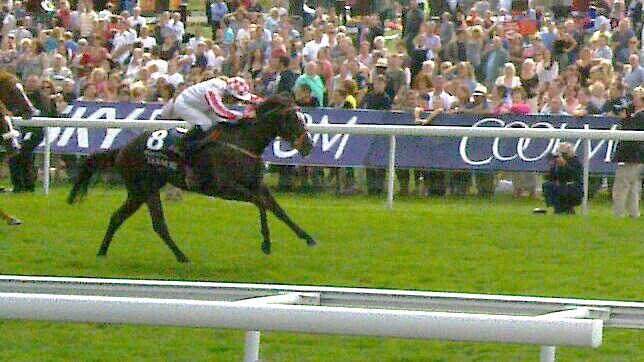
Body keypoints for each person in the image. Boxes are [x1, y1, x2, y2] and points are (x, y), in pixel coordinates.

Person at [168, 76, 262, 187]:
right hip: (184, 104)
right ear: (229, 93)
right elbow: (220, 111)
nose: (236, 102)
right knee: (205, 124)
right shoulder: (213, 90)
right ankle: (180, 147)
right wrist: (243, 116)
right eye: (234, 98)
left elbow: (256, 100)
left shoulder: (228, 89)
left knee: (219, 124)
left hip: (202, 105)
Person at [612, 86, 643, 218]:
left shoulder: (640, 115)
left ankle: (618, 213)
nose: (632, 101)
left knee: (622, 184)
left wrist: (625, 118)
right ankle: (634, 212)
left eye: (635, 98)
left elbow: (631, 130)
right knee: (633, 185)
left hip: (632, 154)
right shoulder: (635, 113)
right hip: (635, 155)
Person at [541, 143, 583, 214]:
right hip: (561, 184)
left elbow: (575, 176)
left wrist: (565, 165)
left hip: (574, 186)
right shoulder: (557, 163)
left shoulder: (575, 161)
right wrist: (552, 166)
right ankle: (557, 208)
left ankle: (567, 209)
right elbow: (550, 177)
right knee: (548, 185)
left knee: (563, 188)